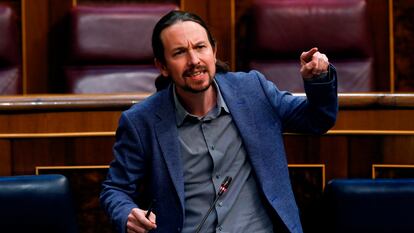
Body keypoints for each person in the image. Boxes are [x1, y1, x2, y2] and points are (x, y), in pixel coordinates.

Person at [100, 10, 337, 233]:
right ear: (162, 66)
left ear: (213, 51)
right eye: (179, 52)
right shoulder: (141, 121)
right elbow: (115, 189)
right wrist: (126, 214)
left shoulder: (253, 91)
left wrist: (319, 78)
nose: (194, 60)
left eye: (200, 47)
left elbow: (318, 119)